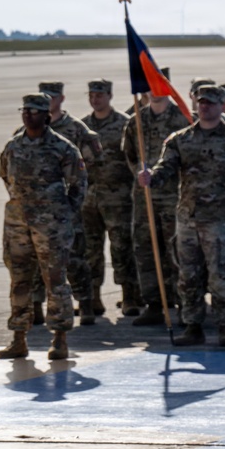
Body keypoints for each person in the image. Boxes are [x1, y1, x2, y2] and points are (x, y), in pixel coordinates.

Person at [138, 85, 225, 347]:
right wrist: (150, 177)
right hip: (188, 219)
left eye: (211, 103)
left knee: (221, 276)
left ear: (222, 106)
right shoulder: (180, 139)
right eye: (201, 102)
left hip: (220, 221)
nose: (205, 107)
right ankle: (193, 325)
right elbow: (165, 168)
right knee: (189, 277)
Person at [0, 93, 86, 360]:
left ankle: (59, 338)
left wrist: (65, 213)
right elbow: (5, 175)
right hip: (18, 224)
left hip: (52, 226)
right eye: (25, 111)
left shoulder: (63, 147)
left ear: (46, 116)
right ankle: (18, 338)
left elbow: (79, 183)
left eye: (35, 112)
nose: (28, 115)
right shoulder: (13, 145)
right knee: (20, 281)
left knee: (55, 281)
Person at [122, 68, 190, 327]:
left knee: (178, 251)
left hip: (175, 195)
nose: (154, 89)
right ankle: (154, 303)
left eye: (159, 83)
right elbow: (129, 154)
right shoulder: (136, 121)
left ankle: (186, 304)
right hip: (145, 198)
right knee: (146, 249)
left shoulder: (183, 119)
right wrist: (138, 173)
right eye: (149, 84)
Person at [37, 81, 102, 325]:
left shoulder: (76, 129)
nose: (48, 102)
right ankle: (35, 307)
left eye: (51, 97)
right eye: (43, 98)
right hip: (38, 211)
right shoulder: (29, 131)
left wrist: (74, 203)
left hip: (68, 208)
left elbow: (92, 165)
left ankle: (85, 303)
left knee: (75, 258)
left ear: (61, 99)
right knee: (37, 261)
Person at [81, 79, 140, 318]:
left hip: (119, 197)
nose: (96, 99)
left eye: (100, 95)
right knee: (90, 249)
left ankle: (129, 296)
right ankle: (92, 296)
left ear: (110, 95)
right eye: (92, 95)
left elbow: (134, 157)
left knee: (122, 247)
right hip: (90, 197)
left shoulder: (125, 124)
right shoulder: (82, 127)